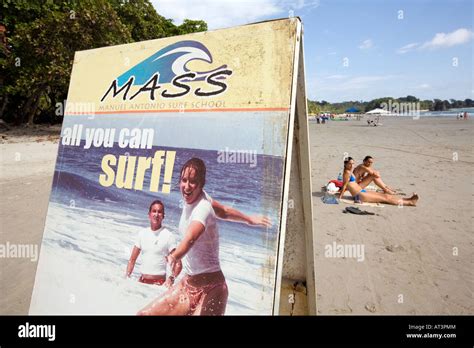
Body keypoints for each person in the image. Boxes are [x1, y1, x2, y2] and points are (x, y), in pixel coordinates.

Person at [137, 158, 271, 315]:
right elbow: (224, 211)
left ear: (201, 184)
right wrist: (248, 219)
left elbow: (191, 238)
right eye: (184, 180)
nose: (187, 186)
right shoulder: (201, 197)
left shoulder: (203, 208)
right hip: (188, 286)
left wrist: (175, 256)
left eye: (193, 182)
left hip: (213, 290)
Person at [126, 200, 182, 287]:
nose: (156, 214)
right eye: (154, 211)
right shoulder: (142, 234)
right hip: (141, 283)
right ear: (149, 214)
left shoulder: (168, 236)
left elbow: (178, 264)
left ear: (163, 216)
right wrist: (126, 278)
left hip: (158, 285)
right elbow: (132, 260)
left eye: (159, 212)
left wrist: (171, 279)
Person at [339, 157, 419, 206]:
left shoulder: (349, 171)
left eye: (353, 164)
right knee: (385, 198)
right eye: (349, 164)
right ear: (345, 164)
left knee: (385, 195)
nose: (352, 166)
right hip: (360, 195)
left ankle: (407, 199)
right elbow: (345, 185)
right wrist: (340, 197)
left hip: (361, 191)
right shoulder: (346, 173)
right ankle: (410, 202)